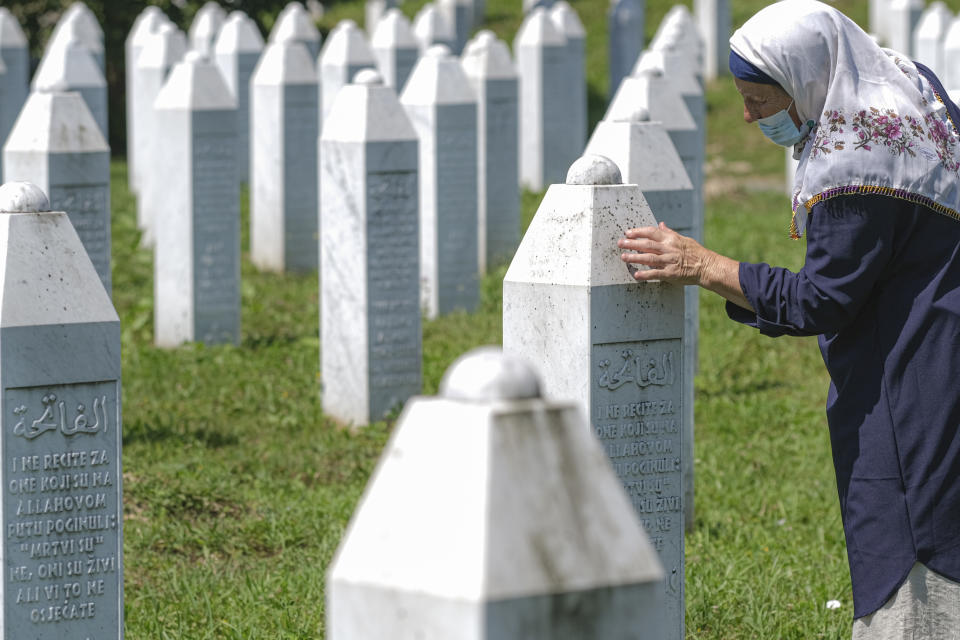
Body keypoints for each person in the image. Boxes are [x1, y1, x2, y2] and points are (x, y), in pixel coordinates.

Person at [618, 1, 960, 637]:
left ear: (804, 80)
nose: (746, 116)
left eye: (756, 99)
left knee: (913, 550)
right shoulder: (908, 93)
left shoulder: (857, 163)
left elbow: (822, 299)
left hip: (911, 382)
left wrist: (704, 265)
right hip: (946, 342)